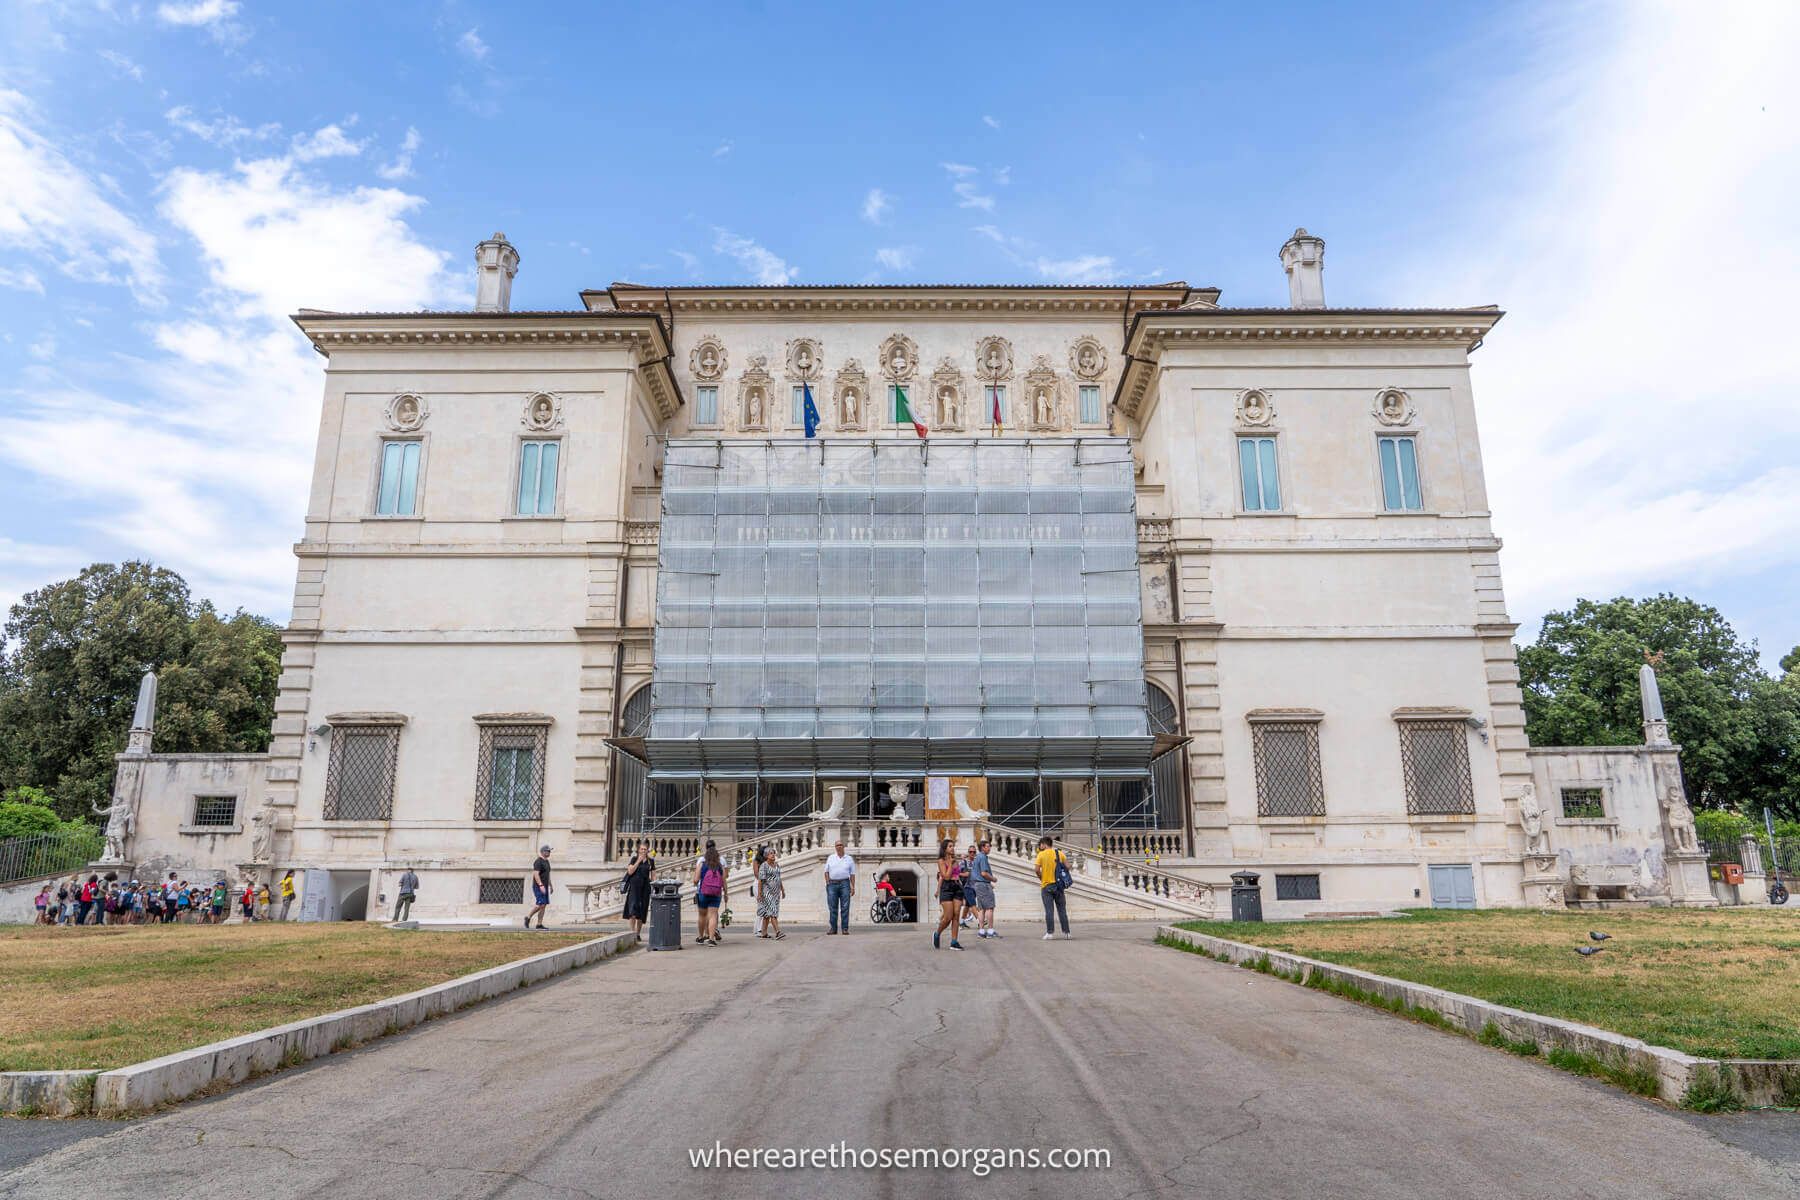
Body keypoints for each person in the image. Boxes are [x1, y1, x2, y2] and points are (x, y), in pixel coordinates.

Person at [1034, 836, 1071, 940]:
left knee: (1049, 911)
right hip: (1059, 886)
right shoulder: (1059, 853)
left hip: (1046, 886)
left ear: (1044, 844)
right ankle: (1067, 932)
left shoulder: (1041, 855)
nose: (1040, 846)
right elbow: (1068, 866)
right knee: (1062, 910)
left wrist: (1041, 878)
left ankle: (1050, 933)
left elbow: (1036, 869)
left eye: (1040, 844)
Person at [692, 841, 727, 946]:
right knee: (712, 916)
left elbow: (695, 880)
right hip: (716, 893)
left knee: (702, 915)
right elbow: (724, 881)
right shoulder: (720, 866)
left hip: (703, 893)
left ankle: (701, 937)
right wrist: (726, 893)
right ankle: (711, 939)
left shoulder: (702, 864)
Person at [933, 839, 965, 950]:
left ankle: (954, 941)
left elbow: (958, 874)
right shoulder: (941, 861)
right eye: (950, 846)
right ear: (945, 848)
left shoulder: (955, 860)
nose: (953, 848)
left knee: (956, 915)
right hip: (947, 888)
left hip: (957, 887)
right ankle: (937, 933)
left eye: (953, 846)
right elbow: (946, 876)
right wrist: (950, 864)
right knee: (947, 917)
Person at [620, 840, 654, 937]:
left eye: (645, 849)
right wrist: (639, 861)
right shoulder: (634, 859)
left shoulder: (650, 861)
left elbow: (653, 876)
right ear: (638, 850)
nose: (643, 851)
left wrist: (654, 887)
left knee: (642, 912)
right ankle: (632, 933)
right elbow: (630, 871)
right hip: (634, 888)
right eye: (642, 849)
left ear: (647, 850)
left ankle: (638, 934)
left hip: (645, 888)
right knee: (633, 911)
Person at [823, 839, 856, 935]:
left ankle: (845, 928)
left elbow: (852, 874)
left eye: (841, 845)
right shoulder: (831, 857)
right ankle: (833, 928)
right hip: (832, 884)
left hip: (845, 883)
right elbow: (826, 872)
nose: (839, 846)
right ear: (835, 847)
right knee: (832, 907)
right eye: (837, 845)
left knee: (845, 907)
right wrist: (828, 883)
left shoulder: (849, 858)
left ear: (843, 846)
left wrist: (853, 887)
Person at [755, 847, 786, 940]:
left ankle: (764, 933)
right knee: (773, 911)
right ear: (766, 856)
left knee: (767, 913)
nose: (773, 855)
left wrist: (783, 890)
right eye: (771, 853)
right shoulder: (764, 866)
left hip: (776, 892)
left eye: (773, 853)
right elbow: (760, 880)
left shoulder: (777, 865)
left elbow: (778, 878)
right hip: (767, 892)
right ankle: (778, 932)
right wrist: (760, 894)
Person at [971, 839, 999, 938]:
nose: (989, 848)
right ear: (983, 847)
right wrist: (993, 879)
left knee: (981, 909)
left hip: (978, 884)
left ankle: (982, 931)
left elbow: (977, 873)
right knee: (989, 908)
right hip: (983, 884)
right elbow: (983, 873)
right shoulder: (982, 857)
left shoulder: (977, 857)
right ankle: (990, 931)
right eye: (988, 846)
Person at [526, 846, 553, 930]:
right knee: (540, 904)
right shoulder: (538, 862)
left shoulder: (547, 862)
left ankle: (539, 924)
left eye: (549, 851)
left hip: (545, 886)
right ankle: (528, 917)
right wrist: (540, 885)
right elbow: (536, 874)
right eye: (547, 851)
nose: (549, 852)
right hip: (538, 886)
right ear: (543, 852)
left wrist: (550, 885)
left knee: (543, 905)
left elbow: (547, 875)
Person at [959, 846, 979, 929]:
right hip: (967, 886)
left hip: (975, 886)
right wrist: (964, 874)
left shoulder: (977, 862)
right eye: (970, 852)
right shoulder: (963, 862)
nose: (972, 853)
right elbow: (955, 872)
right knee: (972, 903)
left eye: (974, 852)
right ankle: (980, 920)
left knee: (967, 904)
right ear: (968, 852)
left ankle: (962, 922)